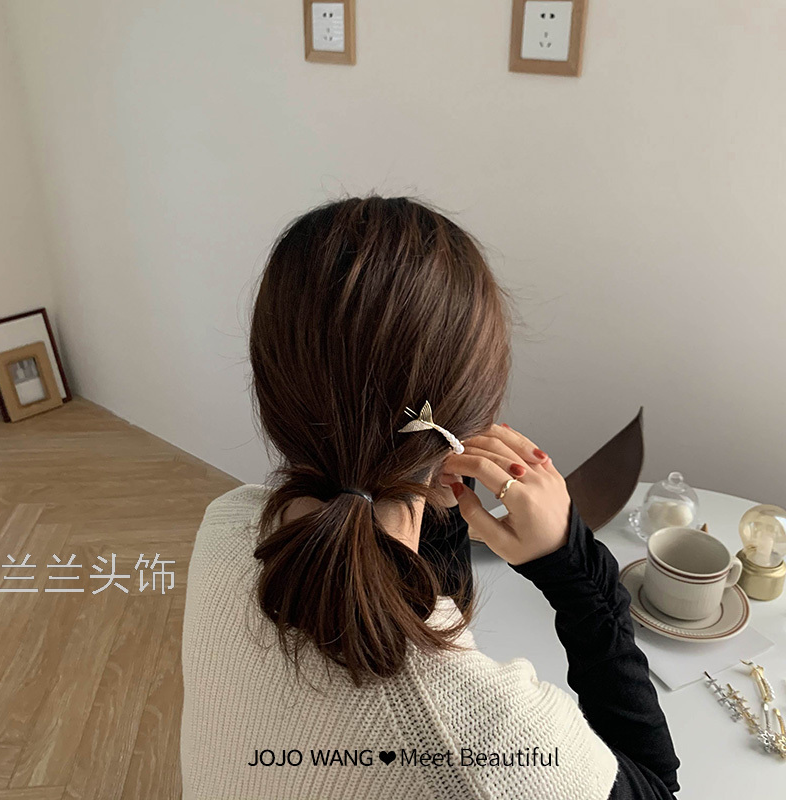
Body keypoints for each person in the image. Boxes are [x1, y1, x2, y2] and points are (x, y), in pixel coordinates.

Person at [180, 195, 681, 799]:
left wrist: (434, 484)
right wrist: (573, 570)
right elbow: (656, 788)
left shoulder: (227, 527)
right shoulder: (498, 750)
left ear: (270, 386)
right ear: (469, 419)